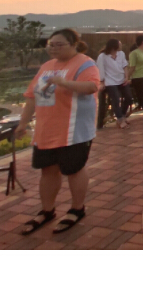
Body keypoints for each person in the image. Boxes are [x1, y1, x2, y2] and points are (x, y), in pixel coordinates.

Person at [15, 29, 99, 235]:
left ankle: (77, 209)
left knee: (74, 170)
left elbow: (91, 87)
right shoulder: (46, 67)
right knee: (48, 171)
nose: (53, 48)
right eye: (51, 45)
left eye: (59, 45)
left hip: (74, 131)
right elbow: (32, 96)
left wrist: (64, 82)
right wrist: (23, 123)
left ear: (74, 45)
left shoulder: (85, 63)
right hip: (46, 130)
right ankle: (47, 211)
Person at [96, 39, 133, 129]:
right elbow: (100, 69)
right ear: (114, 46)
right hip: (110, 81)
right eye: (119, 44)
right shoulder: (102, 56)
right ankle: (120, 119)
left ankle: (122, 115)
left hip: (121, 79)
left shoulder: (121, 54)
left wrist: (126, 77)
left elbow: (125, 66)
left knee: (128, 97)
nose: (121, 46)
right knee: (116, 99)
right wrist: (102, 82)